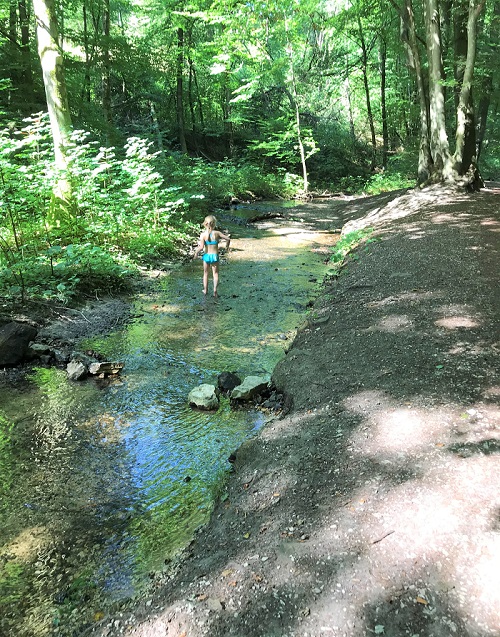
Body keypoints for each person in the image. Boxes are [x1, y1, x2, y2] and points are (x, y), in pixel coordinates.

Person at [192, 215, 231, 298]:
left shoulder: (203, 235)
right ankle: (215, 291)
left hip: (206, 256)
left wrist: (196, 253)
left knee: (205, 274)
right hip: (215, 256)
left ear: (205, 224)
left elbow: (201, 247)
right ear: (214, 224)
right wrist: (227, 247)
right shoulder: (217, 233)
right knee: (215, 274)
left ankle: (205, 290)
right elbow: (228, 239)